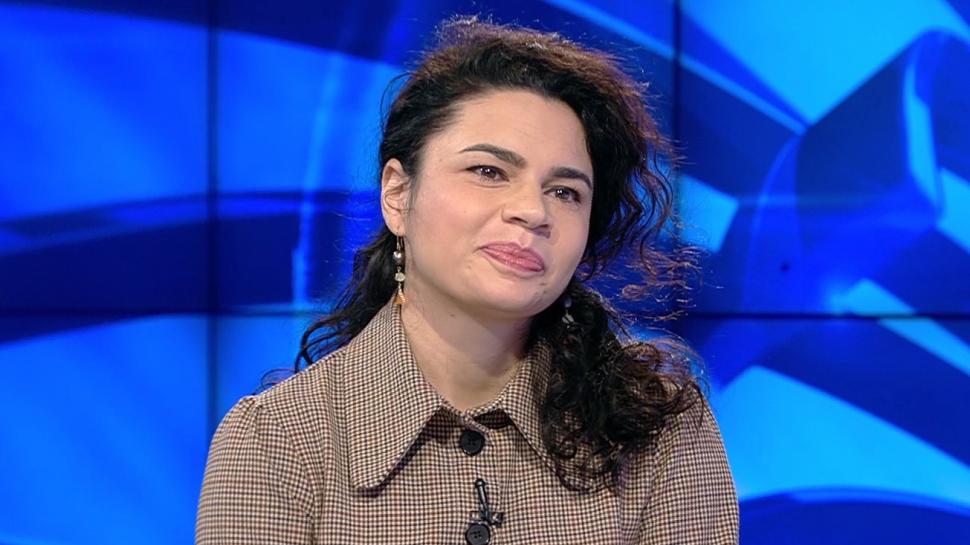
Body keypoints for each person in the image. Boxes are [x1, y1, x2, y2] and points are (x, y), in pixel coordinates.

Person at [196, 16, 738, 545]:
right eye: (489, 172)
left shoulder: (661, 430)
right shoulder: (277, 441)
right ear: (397, 195)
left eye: (565, 192)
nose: (532, 211)